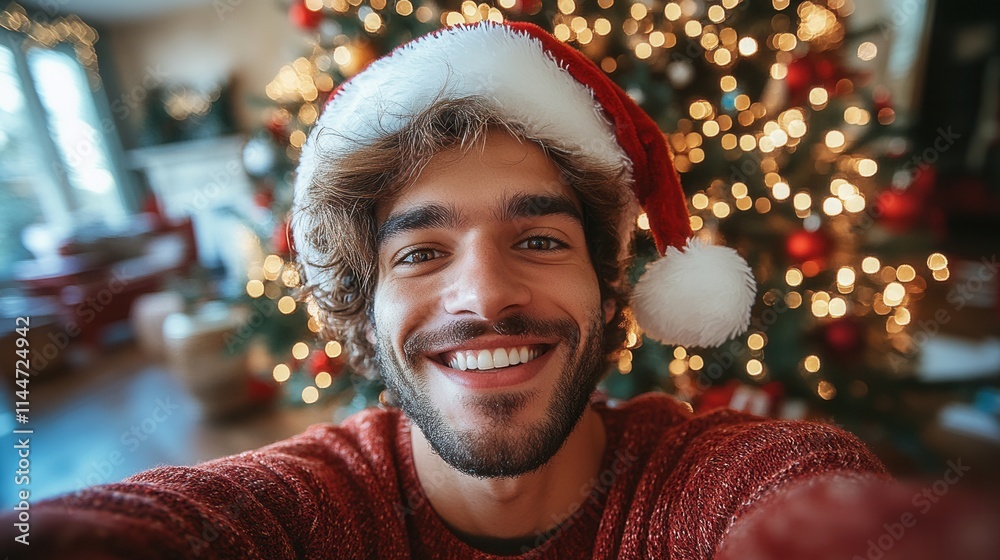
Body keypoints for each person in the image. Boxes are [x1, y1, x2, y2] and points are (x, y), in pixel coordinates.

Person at [12, 20, 979, 560]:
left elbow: (813, 512)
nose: (484, 296)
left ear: (611, 290)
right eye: (420, 253)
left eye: (540, 239)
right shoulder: (304, 509)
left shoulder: (713, 481)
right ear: (363, 311)